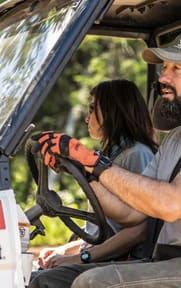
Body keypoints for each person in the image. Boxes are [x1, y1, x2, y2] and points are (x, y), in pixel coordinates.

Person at [31, 30, 181, 288]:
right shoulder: (179, 137)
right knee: (47, 281)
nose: (163, 77)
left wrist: (96, 163)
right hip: (168, 262)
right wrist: (85, 170)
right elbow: (134, 213)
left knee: (93, 283)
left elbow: (172, 204)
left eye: (177, 69)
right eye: (164, 67)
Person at [37, 79, 158, 270]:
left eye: (93, 109)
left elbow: (139, 231)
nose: (87, 118)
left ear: (113, 112)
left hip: (121, 263)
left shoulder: (137, 154)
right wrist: (64, 251)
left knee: (44, 282)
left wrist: (81, 258)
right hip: (101, 256)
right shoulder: (109, 158)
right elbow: (103, 233)